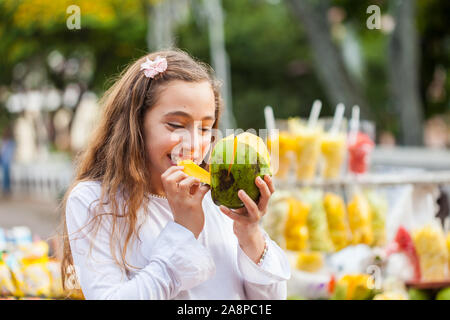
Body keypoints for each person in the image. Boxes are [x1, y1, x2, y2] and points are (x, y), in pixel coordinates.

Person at [61, 49, 290, 300]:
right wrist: (183, 230)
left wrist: (249, 233)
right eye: (176, 125)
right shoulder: (95, 201)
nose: (193, 144)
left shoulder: (220, 197)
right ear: (135, 125)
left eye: (205, 128)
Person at [0, 125, 15, 197]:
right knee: (6, 174)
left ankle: (6, 189)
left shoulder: (10, 142)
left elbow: (10, 153)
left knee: (6, 174)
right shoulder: (4, 141)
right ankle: (6, 189)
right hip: (3, 159)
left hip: (6, 160)